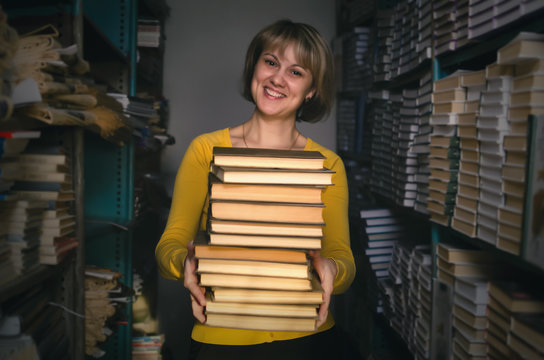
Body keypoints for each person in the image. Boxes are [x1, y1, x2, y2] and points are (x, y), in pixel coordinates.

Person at [155, 19, 356, 360]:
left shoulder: (328, 165)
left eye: (296, 72)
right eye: (271, 62)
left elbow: (342, 255)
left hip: (308, 339)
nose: (277, 78)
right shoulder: (205, 150)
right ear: (255, 67)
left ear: (312, 90)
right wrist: (184, 262)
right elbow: (170, 243)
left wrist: (333, 270)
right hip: (221, 339)